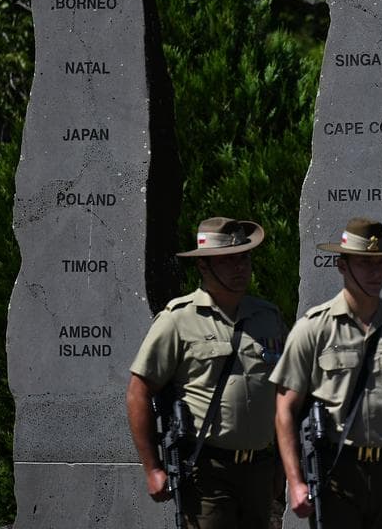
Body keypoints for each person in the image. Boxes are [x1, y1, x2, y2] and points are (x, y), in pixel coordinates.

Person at [273, 217, 382, 527]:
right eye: (364, 263)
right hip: (337, 472)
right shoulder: (313, 329)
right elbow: (284, 409)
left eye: (381, 262)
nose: (376, 272)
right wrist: (295, 482)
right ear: (342, 265)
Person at [126, 216, 287, 528]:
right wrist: (153, 468)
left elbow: (285, 391)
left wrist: (284, 465)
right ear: (203, 266)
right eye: (228, 260)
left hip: (260, 470)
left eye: (244, 257)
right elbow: (138, 392)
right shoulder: (177, 320)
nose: (240, 267)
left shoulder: (267, 317)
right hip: (207, 473)